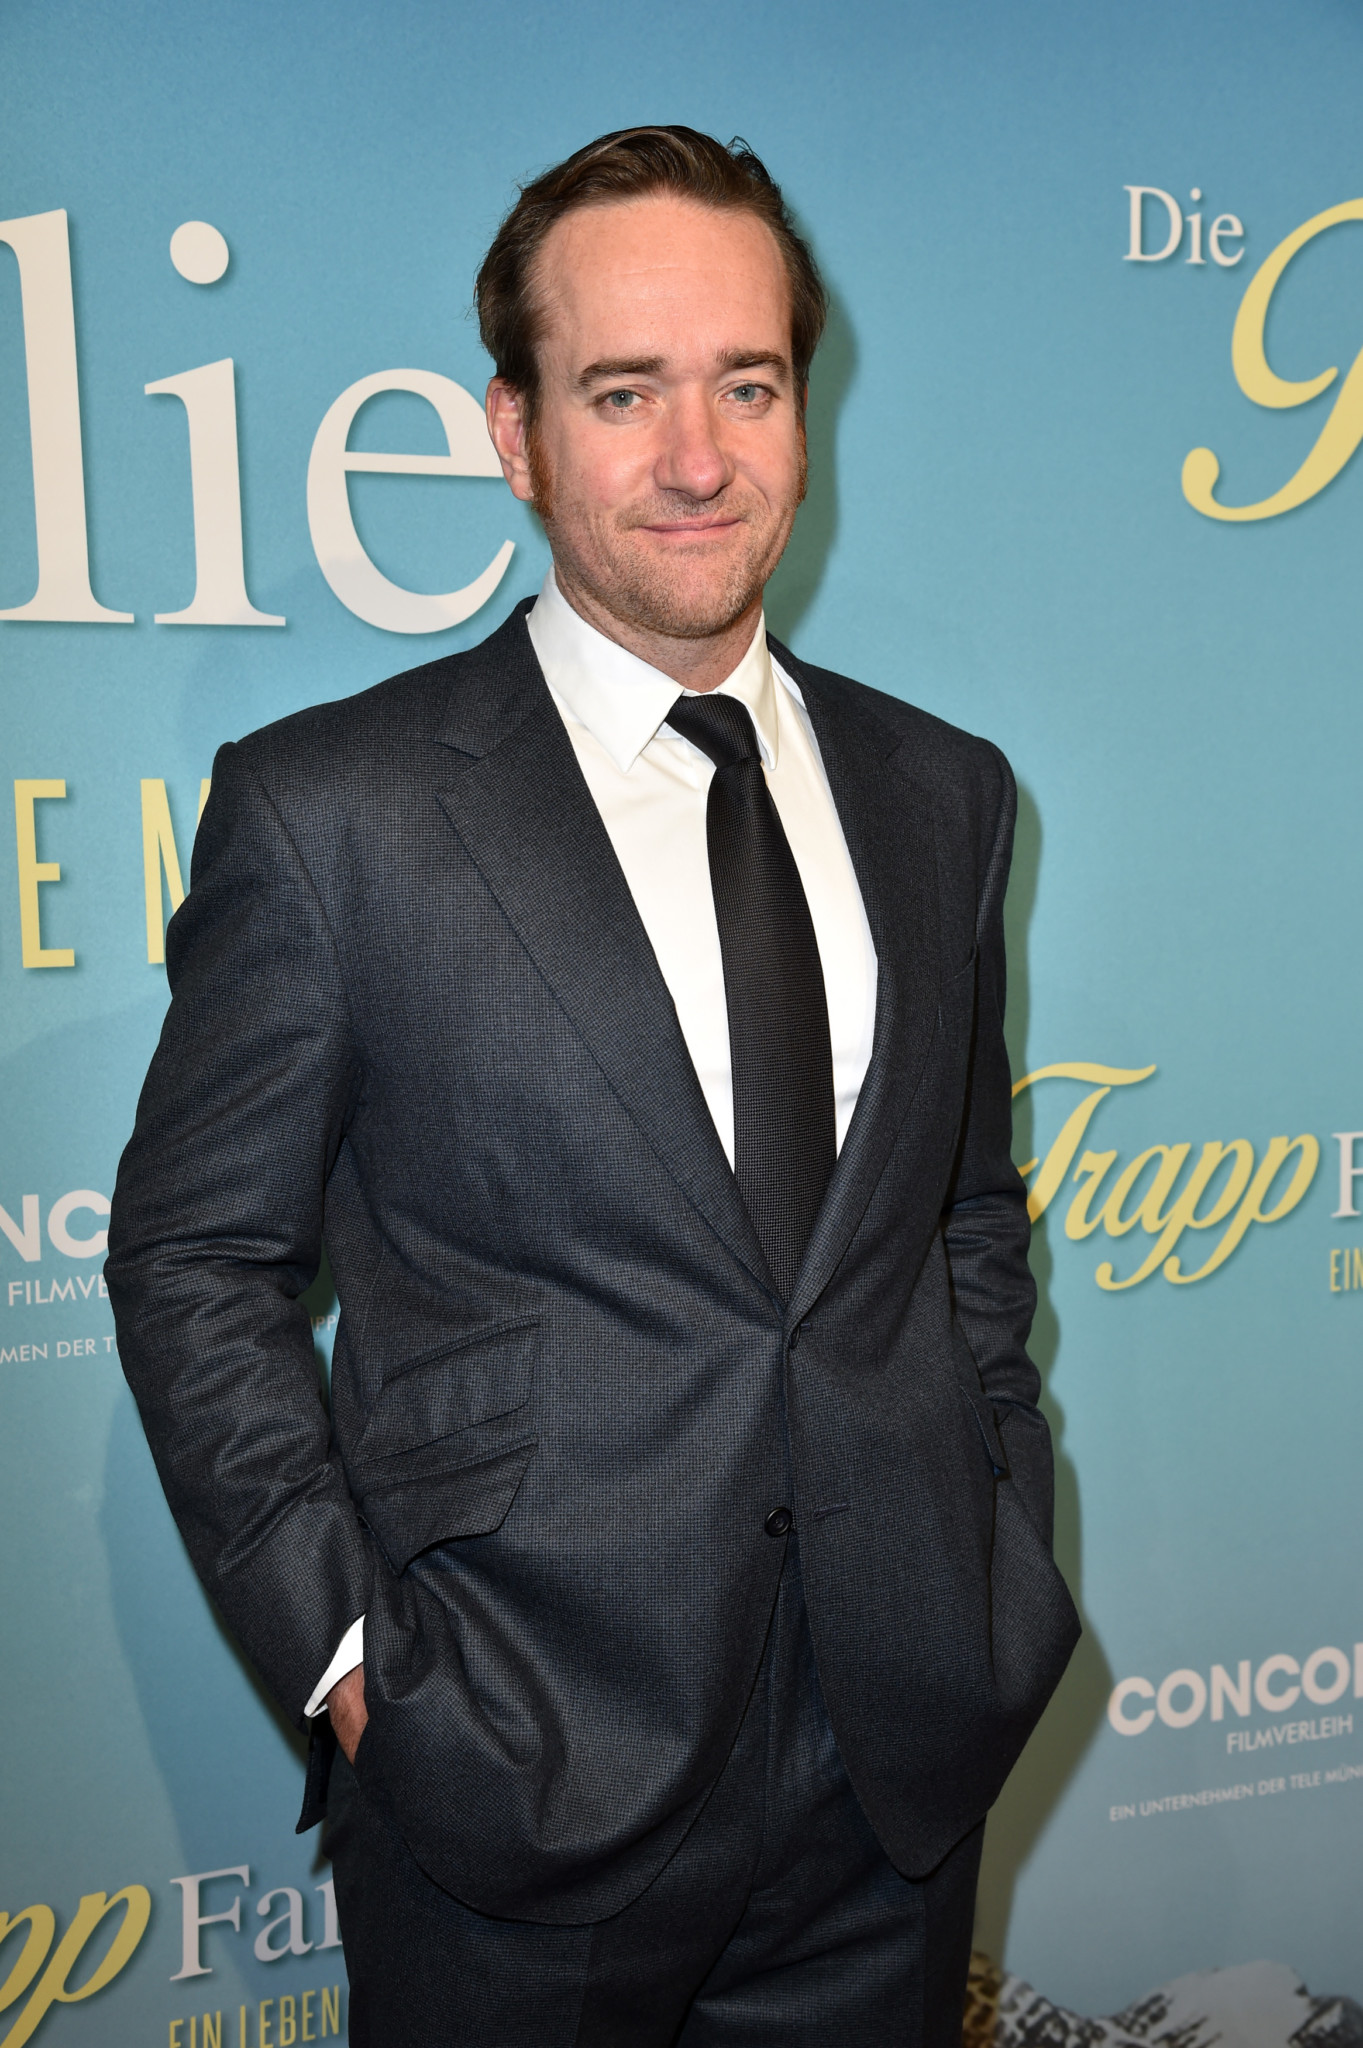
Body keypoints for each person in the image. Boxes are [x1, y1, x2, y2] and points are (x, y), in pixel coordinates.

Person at [107, 125, 1079, 2047]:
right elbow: (194, 1261)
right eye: (625, 392)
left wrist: (1002, 1538)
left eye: (749, 384)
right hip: (519, 1779)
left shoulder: (944, 793)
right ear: (517, 432)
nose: (699, 457)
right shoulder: (334, 813)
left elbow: (963, 1217)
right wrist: (357, 1661)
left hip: (898, 1775)